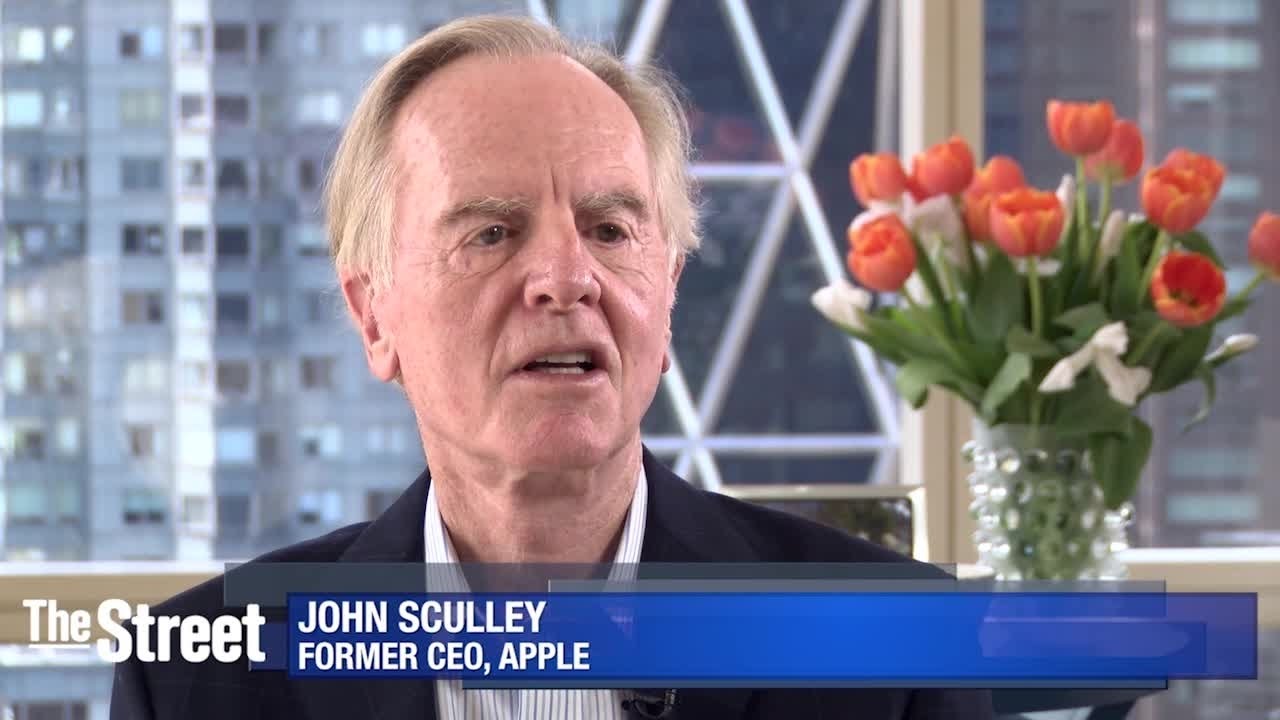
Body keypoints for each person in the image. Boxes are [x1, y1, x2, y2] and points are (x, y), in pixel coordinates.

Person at [110, 15, 992, 719]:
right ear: (374, 314)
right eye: (492, 232)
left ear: (667, 292)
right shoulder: (197, 677)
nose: (568, 278)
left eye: (610, 230)